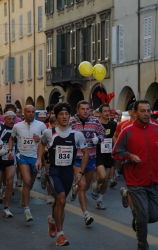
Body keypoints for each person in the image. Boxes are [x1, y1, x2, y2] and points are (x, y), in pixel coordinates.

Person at [112, 99, 158, 250]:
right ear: (135, 113)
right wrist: (129, 156)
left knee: (154, 216)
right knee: (143, 215)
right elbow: (116, 153)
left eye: (148, 110)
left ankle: (138, 218)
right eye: (142, 111)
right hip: (135, 181)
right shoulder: (127, 131)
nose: (146, 114)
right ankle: (142, 245)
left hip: (155, 180)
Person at [36, 102, 89, 246]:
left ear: (70, 116)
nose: (64, 117)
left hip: (67, 172)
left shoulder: (77, 135)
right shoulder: (49, 133)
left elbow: (85, 153)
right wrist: (38, 159)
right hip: (54, 171)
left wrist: (81, 172)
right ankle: (61, 235)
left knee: (60, 202)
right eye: (61, 114)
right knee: (61, 199)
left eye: (67, 114)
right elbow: (41, 144)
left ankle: (52, 220)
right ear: (56, 116)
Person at [8, 105, 46, 222]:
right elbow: (11, 138)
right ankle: (27, 210)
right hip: (23, 156)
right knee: (27, 181)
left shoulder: (41, 125)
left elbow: (47, 139)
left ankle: (24, 199)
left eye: (33, 112)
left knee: (30, 184)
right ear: (24, 113)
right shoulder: (17, 126)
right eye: (28, 112)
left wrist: (39, 139)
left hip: (36, 157)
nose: (31, 114)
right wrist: (10, 150)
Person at [70, 100, 106, 226]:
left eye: (87, 109)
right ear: (77, 110)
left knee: (86, 187)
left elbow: (103, 132)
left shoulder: (95, 121)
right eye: (82, 109)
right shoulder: (71, 121)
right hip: (77, 158)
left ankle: (75, 188)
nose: (85, 111)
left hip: (91, 157)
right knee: (82, 185)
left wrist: (99, 139)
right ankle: (86, 214)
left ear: (90, 110)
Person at [91, 104, 117, 210]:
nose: (107, 113)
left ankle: (100, 200)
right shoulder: (96, 125)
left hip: (109, 153)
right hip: (98, 153)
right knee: (102, 176)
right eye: (105, 111)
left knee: (106, 179)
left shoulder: (113, 124)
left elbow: (115, 137)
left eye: (108, 111)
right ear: (100, 113)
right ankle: (96, 184)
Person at [0, 111, 18, 217]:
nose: (11, 121)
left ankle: (6, 208)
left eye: (13, 119)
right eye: (9, 119)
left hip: (11, 160)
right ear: (4, 119)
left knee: (9, 181)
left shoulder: (17, 129)